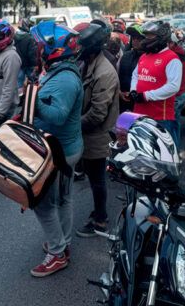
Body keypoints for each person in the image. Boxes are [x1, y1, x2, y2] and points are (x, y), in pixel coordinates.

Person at [29, 21, 84, 277]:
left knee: (43, 204)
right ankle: (62, 244)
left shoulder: (64, 79)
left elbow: (58, 116)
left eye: (41, 44)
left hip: (58, 151)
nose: (38, 48)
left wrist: (31, 102)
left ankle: (57, 253)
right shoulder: (61, 70)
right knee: (63, 199)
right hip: (64, 148)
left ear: (55, 48)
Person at [75, 20, 119, 238]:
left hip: (96, 136)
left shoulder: (104, 72)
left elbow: (97, 114)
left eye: (82, 46)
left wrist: (72, 124)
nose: (78, 49)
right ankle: (99, 213)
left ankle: (100, 220)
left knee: (97, 179)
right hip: (87, 133)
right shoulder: (87, 63)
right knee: (94, 178)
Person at [129, 21, 182, 147]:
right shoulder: (144, 56)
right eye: (145, 35)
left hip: (160, 119)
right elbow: (136, 75)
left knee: (163, 157)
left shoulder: (172, 58)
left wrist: (146, 96)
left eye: (150, 36)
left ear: (161, 37)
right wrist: (133, 90)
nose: (146, 39)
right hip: (139, 116)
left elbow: (173, 86)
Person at [117, 24, 145, 113]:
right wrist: (119, 92)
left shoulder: (149, 58)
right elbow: (117, 76)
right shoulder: (125, 55)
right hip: (123, 101)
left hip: (141, 102)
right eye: (133, 38)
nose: (135, 40)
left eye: (139, 38)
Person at [168, 29, 185, 141]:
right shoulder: (180, 53)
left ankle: (174, 154)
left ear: (173, 43)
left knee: (172, 128)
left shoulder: (175, 56)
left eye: (168, 43)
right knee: (174, 126)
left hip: (176, 95)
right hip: (180, 93)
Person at [14, 17, 38, 89]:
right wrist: (35, 64)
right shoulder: (30, 38)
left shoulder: (13, 36)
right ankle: (30, 97)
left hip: (18, 64)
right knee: (33, 83)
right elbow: (32, 53)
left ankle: (19, 98)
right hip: (28, 64)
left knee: (19, 84)